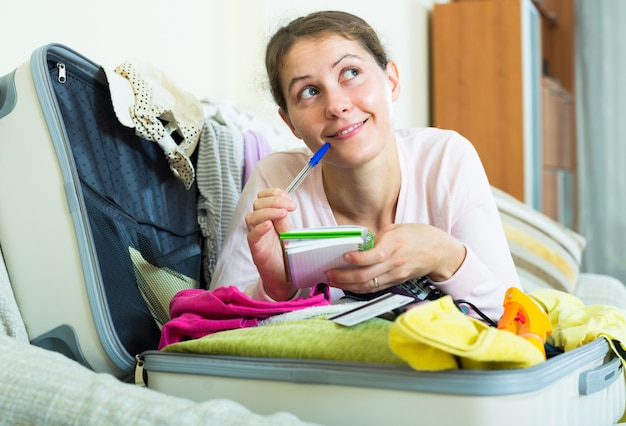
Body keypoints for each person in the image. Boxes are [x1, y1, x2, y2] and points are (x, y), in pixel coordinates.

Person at [210, 10, 520, 321]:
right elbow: (205, 335)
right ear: (289, 123)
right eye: (309, 91)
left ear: (392, 81)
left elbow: (516, 323)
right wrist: (275, 291)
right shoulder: (275, 180)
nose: (336, 105)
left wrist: (445, 256)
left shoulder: (447, 159)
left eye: (351, 73)